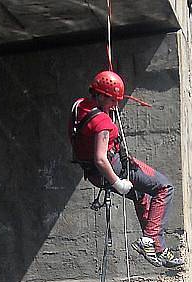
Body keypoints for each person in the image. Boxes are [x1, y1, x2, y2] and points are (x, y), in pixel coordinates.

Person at [69, 70, 184, 269]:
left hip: (95, 175)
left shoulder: (80, 106)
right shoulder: (102, 122)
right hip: (114, 168)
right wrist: (118, 183)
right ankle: (149, 240)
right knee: (164, 187)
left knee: (142, 195)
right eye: (112, 100)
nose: (116, 105)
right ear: (101, 95)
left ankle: (157, 248)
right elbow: (100, 158)